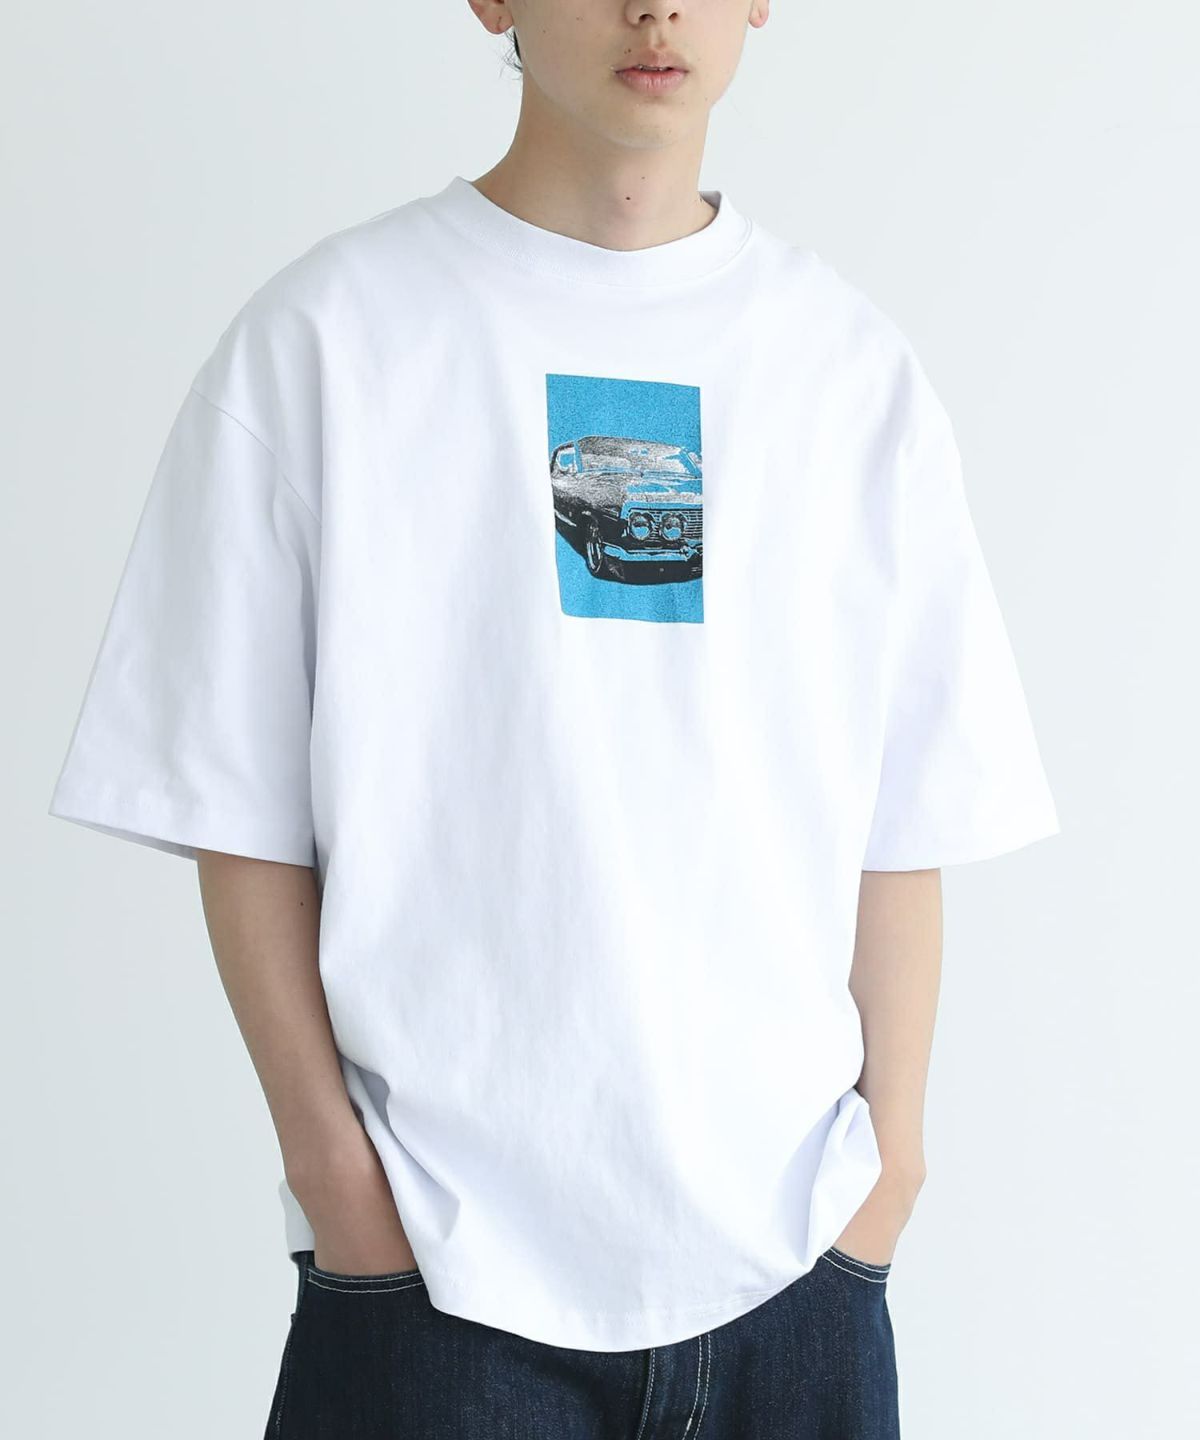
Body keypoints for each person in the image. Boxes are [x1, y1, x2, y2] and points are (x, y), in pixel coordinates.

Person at [47, 2, 1060, 1436]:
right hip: (437, 1286)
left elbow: (907, 819)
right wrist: (341, 1187)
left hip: (794, 1279)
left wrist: (888, 1175)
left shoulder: (849, 372)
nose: (656, 9)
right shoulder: (327, 342)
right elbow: (235, 809)